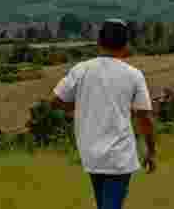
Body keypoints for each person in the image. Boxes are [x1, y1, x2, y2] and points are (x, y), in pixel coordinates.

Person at [51, 19, 156, 209]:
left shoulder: (81, 70)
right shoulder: (134, 75)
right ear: (125, 45)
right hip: (119, 157)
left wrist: (79, 108)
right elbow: (145, 117)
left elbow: (56, 100)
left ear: (99, 42)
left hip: (91, 154)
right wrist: (151, 151)